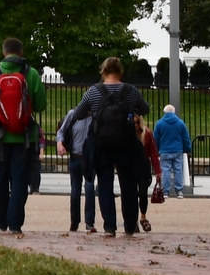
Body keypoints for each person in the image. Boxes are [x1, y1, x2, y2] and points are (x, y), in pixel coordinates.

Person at [61, 57, 151, 237]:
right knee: (128, 185)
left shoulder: (93, 91)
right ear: (120, 71)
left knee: (104, 184)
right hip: (126, 142)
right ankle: (129, 225)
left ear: (103, 71)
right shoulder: (131, 91)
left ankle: (110, 226)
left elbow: (78, 114)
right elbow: (144, 109)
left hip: (101, 142)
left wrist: (94, 111)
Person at [0, 37, 46, 236]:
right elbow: (41, 105)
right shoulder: (30, 73)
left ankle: (1, 220)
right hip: (24, 136)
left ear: (3, 52)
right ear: (21, 53)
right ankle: (15, 222)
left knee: (0, 178)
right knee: (19, 179)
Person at [56, 100, 98, 234]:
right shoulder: (73, 115)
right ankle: (74, 221)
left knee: (90, 188)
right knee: (75, 191)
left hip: (90, 158)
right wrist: (60, 144)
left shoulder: (96, 116)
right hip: (75, 156)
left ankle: (89, 222)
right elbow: (61, 131)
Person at [154, 104, 192, 198]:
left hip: (165, 150)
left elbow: (156, 139)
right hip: (177, 150)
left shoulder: (159, 123)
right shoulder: (180, 123)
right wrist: (187, 149)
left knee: (165, 171)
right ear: (173, 112)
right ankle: (179, 191)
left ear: (164, 112)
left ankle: (165, 191)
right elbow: (185, 138)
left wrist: (156, 149)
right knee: (178, 170)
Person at [138, 115, 162, 233]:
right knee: (130, 195)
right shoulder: (127, 133)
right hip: (130, 167)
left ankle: (143, 216)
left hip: (143, 167)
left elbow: (153, 152)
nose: (136, 125)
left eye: (138, 123)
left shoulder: (147, 134)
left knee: (142, 193)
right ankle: (132, 219)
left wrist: (157, 171)